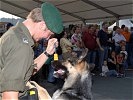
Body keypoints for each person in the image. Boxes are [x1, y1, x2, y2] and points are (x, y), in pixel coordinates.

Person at [0, 2, 63, 100]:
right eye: (49, 34)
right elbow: (9, 96)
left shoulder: (14, 34)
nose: (47, 38)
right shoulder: (21, 46)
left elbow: (27, 70)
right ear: (42, 25)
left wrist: (47, 52)